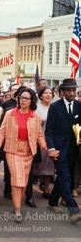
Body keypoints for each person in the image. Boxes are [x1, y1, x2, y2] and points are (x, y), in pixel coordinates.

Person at [0, 88, 47, 223]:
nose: (23, 100)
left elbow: (39, 134)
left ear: (31, 101)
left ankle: (17, 204)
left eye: (26, 98)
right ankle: (17, 209)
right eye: (21, 98)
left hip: (28, 151)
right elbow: (2, 132)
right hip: (12, 150)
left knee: (23, 182)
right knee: (17, 179)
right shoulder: (10, 114)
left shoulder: (35, 116)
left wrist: (46, 147)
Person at [45, 78, 81, 223]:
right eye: (69, 90)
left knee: (65, 178)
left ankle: (52, 202)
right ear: (62, 92)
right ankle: (74, 211)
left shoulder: (79, 106)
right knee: (65, 178)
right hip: (59, 150)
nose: (72, 93)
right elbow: (49, 131)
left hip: (74, 149)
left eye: (73, 90)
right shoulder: (55, 107)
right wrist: (52, 148)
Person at [33, 87, 55, 199]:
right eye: (45, 93)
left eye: (50, 93)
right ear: (41, 95)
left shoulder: (54, 107)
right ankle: (28, 192)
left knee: (48, 166)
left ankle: (46, 190)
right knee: (34, 166)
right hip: (36, 140)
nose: (48, 95)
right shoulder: (36, 108)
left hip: (50, 141)